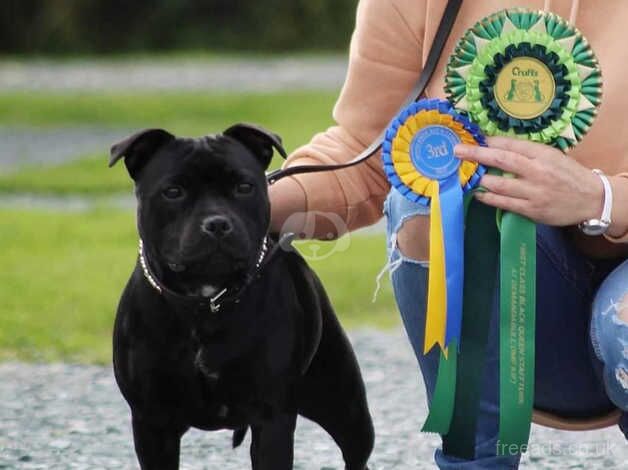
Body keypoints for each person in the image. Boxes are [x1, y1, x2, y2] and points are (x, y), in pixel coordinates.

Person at [269, 0, 628, 467]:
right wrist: (245, 204)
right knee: (427, 200)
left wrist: (601, 198)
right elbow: (364, 150)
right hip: (533, 321)